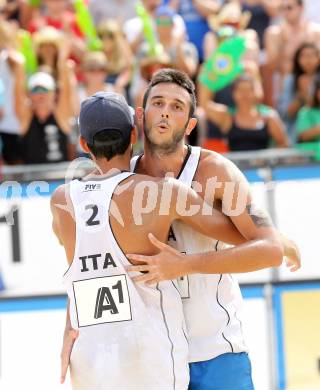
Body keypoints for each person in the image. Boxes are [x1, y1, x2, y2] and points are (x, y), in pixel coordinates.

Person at [60, 71, 301, 389]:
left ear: (190, 124)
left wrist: (185, 265)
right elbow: (91, 264)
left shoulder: (214, 172)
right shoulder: (118, 178)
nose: (165, 111)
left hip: (214, 350)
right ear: (140, 117)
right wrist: (73, 326)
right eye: (158, 102)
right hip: (154, 356)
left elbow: (268, 251)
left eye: (177, 107)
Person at [204, 74, 289, 151]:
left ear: (255, 92)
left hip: (262, 167)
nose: (245, 95)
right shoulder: (227, 116)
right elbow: (204, 103)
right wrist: (212, 72)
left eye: (249, 90)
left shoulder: (269, 117)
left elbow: (284, 144)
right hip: (235, 167)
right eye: (240, 90)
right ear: (233, 94)